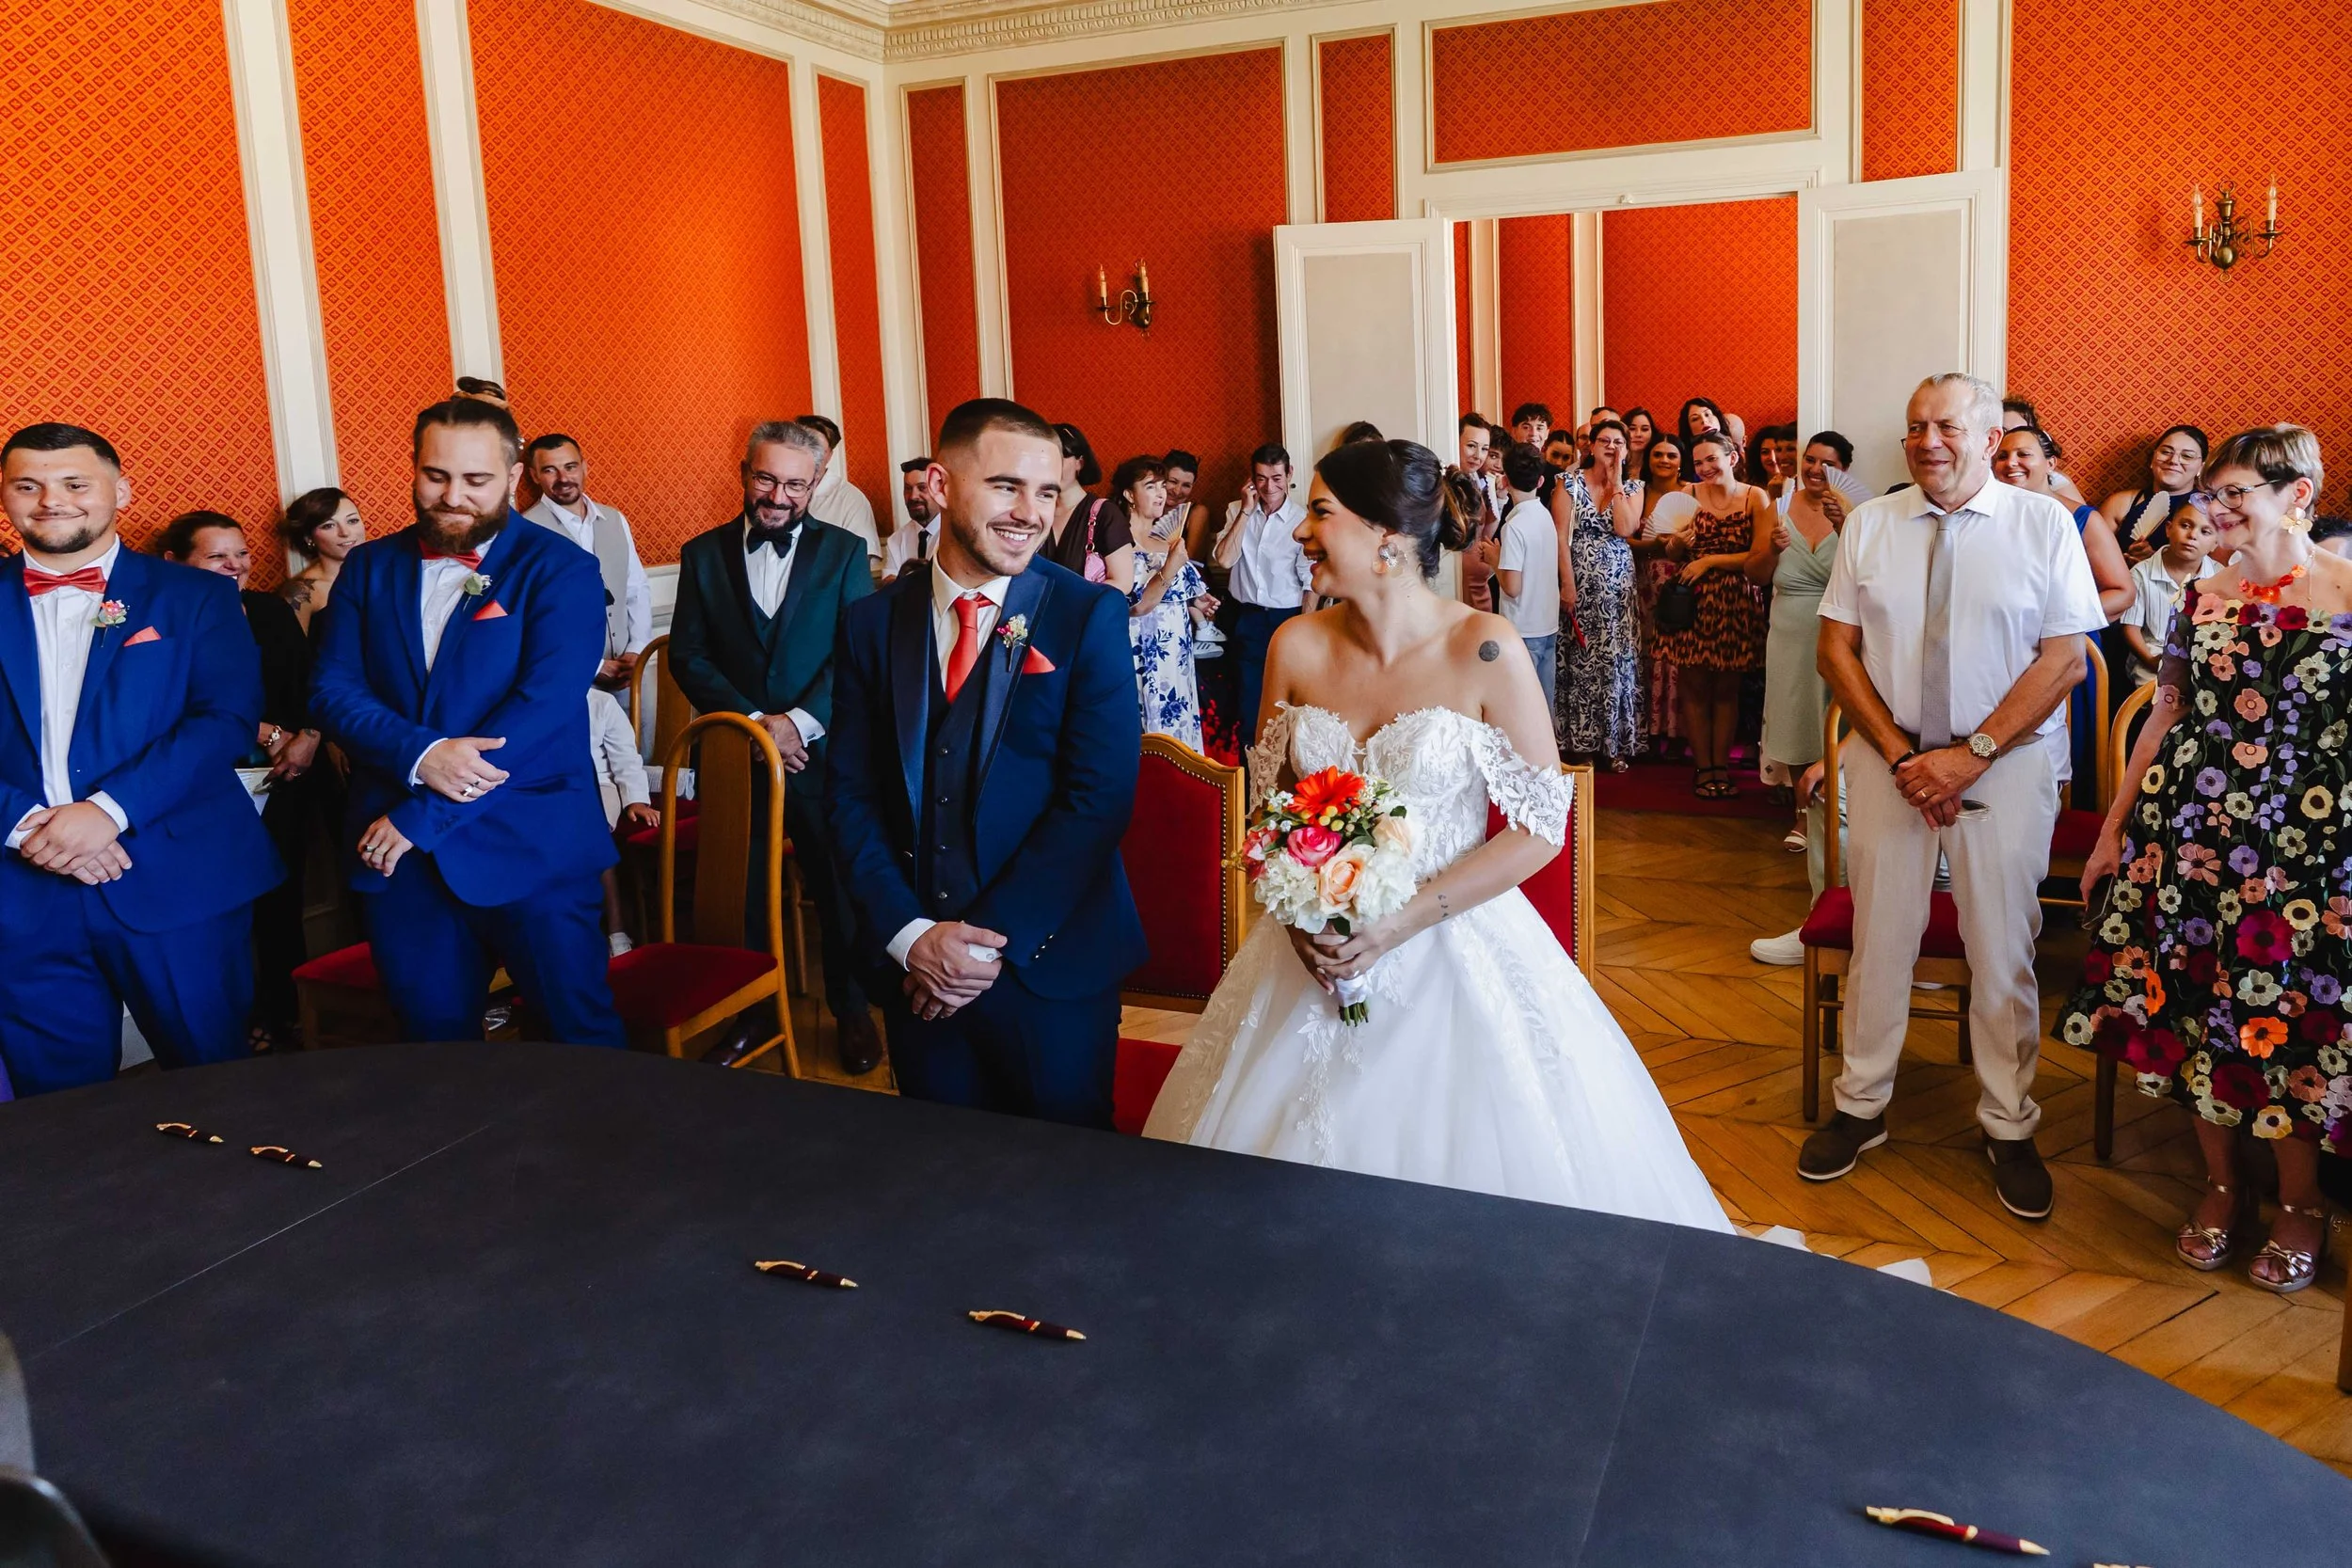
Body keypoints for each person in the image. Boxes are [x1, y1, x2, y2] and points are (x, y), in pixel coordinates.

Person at [1141, 436, 1730, 1230]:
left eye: (1320, 513)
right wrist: (1303, 913)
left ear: (1386, 536)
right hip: (1314, 955)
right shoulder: (1295, 644)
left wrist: (1399, 921)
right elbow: (1270, 813)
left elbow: (1541, 828)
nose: (1302, 531)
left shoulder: (1483, 647)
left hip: (1451, 947)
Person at [1800, 373, 2105, 1219]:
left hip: (2003, 767)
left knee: (2003, 946)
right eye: (1914, 427)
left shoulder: (2042, 524)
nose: (1926, 441)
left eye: (1945, 426)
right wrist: (1907, 759)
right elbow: (1834, 651)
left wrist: (1967, 759)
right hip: (1890, 763)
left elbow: (2064, 662)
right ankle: (1862, 1104)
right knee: (1880, 937)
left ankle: (2008, 1120)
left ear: (1989, 437)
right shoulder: (1872, 523)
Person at [2066, 424, 2350, 1291]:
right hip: (2192, 837)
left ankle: (2302, 1202)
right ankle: (2222, 1185)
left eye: (2235, 493)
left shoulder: (2348, 593)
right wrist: (2113, 830)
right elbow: (2164, 715)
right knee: (2194, 1008)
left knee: (2291, 1021)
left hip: (2308, 850)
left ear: (2297, 494)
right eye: (2211, 494)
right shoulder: (2204, 597)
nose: (2215, 508)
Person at [826, 397, 1147, 1128]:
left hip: (1049, 965)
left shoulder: (1086, 615)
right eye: (1007, 486)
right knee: (941, 1170)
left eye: (1047, 492)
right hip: (917, 972)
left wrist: (977, 949)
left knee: (1070, 1171)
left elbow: (1097, 800)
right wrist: (911, 935)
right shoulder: (871, 623)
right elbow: (848, 795)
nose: (1030, 513)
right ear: (941, 486)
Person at [309, 397, 626, 1049]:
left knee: (578, 1039)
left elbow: (541, 710)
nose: (453, 496)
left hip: (530, 845)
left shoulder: (563, 568)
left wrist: (421, 816)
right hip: (400, 862)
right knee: (434, 1048)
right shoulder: (369, 565)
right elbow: (331, 689)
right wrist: (422, 755)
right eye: (436, 475)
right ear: (414, 468)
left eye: (476, 479)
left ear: (513, 476)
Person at [0, 423, 282, 1096]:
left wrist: (107, 811)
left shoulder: (198, 595)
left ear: (121, 491)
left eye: (75, 483)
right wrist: (27, 826)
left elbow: (224, 719)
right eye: (27, 486)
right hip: (23, 890)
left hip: (179, 875)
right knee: (58, 1108)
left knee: (215, 1082)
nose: (52, 501)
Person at [665, 420, 882, 1074]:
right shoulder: (702, 554)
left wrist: (797, 723)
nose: (778, 496)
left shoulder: (844, 552)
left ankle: (852, 1010)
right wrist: (757, 722)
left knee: (838, 889)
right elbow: (688, 655)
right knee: (743, 893)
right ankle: (754, 1013)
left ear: (816, 484)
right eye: (766, 478)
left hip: (821, 755)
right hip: (736, 754)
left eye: (795, 484)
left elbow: (855, 654)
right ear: (744, 474)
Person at [155, 510, 319, 1051]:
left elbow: (310, 682)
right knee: (222, 909)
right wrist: (267, 731)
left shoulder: (270, 610)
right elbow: (173, 704)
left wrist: (308, 737)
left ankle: (288, 1011)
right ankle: (236, 1021)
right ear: (174, 562)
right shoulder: (163, 618)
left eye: (242, 554)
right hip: (206, 785)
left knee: (282, 897)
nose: (236, 565)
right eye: (217, 556)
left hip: (285, 775)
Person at [1656, 431, 1772, 798]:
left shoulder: (1755, 497)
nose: (1705, 467)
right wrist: (1678, 543)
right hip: (1691, 601)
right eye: (1699, 462)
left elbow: (1759, 555)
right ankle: (1703, 767)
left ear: (1732, 458)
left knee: (1726, 690)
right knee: (1694, 689)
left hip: (1736, 600)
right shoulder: (1688, 493)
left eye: (1712, 459)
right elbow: (1672, 553)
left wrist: (1709, 561)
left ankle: (1721, 766)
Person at [1753, 431, 1852, 851]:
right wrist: (1772, 551)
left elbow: (1869, 574)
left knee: (1834, 715)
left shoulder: (1856, 512)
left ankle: (1837, 806)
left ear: (1843, 470)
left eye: (1827, 463)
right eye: (1810, 460)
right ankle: (1803, 813)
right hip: (1789, 629)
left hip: (1838, 627)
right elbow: (1756, 574)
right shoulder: (1776, 508)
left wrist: (1845, 525)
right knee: (1793, 716)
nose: (1815, 469)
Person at [521, 434, 652, 687]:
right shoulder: (526, 531)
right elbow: (530, 617)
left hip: (630, 671)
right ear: (534, 476)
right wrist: (594, 666)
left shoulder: (615, 519)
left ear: (584, 467)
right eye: (550, 470)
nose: (563, 478)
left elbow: (636, 587)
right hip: (566, 679)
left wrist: (637, 649)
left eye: (570, 467)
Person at [1214, 443, 1314, 758]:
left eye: (1276, 478)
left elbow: (1311, 583)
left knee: (1289, 702)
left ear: (1289, 474)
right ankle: (1250, 778)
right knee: (1249, 704)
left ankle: (1285, 772)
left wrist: (1306, 628)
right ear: (1251, 479)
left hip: (1287, 618)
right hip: (1245, 617)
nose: (1269, 487)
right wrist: (1246, 510)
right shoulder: (1236, 510)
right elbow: (1224, 560)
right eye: (1261, 478)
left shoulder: (1302, 519)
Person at [1556, 419, 1643, 769]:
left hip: (1618, 591)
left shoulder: (1634, 487)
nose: (1611, 447)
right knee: (1581, 660)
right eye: (1604, 440)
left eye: (1618, 442)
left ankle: (1614, 743)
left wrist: (1616, 483)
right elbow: (1560, 536)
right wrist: (1567, 583)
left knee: (1615, 661)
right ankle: (1581, 743)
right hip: (1579, 582)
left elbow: (1625, 528)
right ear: (1590, 446)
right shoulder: (1568, 483)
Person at [1120, 454, 1214, 750]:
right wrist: (1171, 566)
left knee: (1177, 727)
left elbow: (1183, 596)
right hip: (1139, 647)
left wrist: (1199, 602)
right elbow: (1134, 605)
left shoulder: (1167, 543)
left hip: (1175, 651)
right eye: (1151, 486)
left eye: (1163, 486)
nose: (1162, 493)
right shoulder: (1117, 543)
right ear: (1129, 494)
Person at [1631, 436, 1693, 757]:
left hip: (1680, 583)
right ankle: (1648, 731)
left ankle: (1678, 732)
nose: (1664, 460)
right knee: (1647, 651)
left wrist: (1678, 544)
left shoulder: (1691, 492)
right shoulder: (1637, 491)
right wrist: (1655, 545)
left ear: (1681, 460)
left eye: (1671, 455)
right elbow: (1623, 536)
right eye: (1658, 454)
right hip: (1643, 580)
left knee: (1676, 654)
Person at [586, 682, 656, 957]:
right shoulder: (537, 698)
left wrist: (635, 800)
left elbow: (626, 759)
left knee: (592, 832)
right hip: (554, 787)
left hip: (601, 784)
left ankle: (616, 929)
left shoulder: (601, 702)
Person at [1488, 441, 1559, 708]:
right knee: (1544, 703)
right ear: (1540, 481)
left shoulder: (1514, 526)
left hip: (1522, 627)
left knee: (1522, 706)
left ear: (1505, 480)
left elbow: (1512, 587)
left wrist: (1494, 559)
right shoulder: (1545, 516)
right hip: (1547, 622)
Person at [2117, 499, 2216, 684]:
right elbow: (2130, 628)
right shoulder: (2141, 574)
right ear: (2168, 529)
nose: (2192, 535)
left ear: (2215, 543)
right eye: (2185, 525)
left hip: (2202, 659)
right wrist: (2152, 661)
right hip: (2153, 658)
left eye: (2205, 532)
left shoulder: (2218, 576)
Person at [2092, 425, 2210, 566]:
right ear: (2152, 459)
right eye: (2166, 452)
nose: (2173, 460)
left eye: (2187, 456)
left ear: (2201, 467)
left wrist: (2155, 562)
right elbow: (2091, 557)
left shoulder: (2211, 510)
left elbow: (2216, 570)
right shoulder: (2120, 503)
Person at [1042, 422, 1135, 593]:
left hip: (1083, 608)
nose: (1050, 466)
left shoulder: (1105, 513)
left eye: (1060, 457)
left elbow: (1123, 583)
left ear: (1080, 462)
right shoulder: (1036, 511)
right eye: (1045, 458)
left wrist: (1070, 598)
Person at [796, 413, 883, 564]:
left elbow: (862, 560)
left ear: (829, 455)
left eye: (818, 450)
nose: (810, 455)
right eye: (803, 447)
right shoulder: (778, 493)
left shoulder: (851, 500)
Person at [278, 486, 366, 637]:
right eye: (329, 525)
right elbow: (291, 649)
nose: (345, 532)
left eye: (352, 521)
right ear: (308, 538)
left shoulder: (382, 575)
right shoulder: (300, 592)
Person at [2000, 399, 2088, 507]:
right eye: (2004, 432)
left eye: (2021, 431)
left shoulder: (2055, 480)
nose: (2012, 438)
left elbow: (2081, 515)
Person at [1454, 415, 1500, 611]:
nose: (1478, 455)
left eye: (1484, 449)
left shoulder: (1478, 480)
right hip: (1457, 582)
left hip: (1479, 580)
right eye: (1471, 446)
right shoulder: (1445, 484)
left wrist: (1499, 497)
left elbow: (1485, 532)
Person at [882, 454, 938, 580]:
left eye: (922, 488)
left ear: (939, 489)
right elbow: (888, 584)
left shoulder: (955, 535)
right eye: (908, 489)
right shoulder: (896, 540)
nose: (913, 496)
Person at [1676, 397, 1729, 481]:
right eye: (1695, 419)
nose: (1704, 421)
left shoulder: (1735, 450)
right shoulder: (1685, 462)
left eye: (1707, 415)